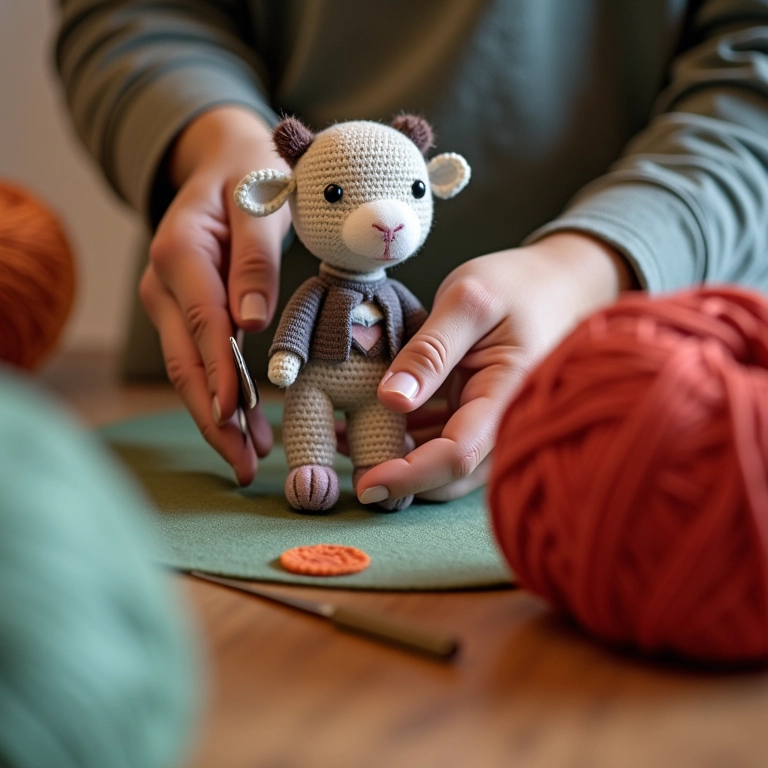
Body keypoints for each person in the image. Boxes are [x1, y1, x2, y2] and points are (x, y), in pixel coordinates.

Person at [55, 1, 768, 505]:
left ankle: (372, 470)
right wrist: (210, 134)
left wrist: (591, 267)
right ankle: (315, 472)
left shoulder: (400, 303)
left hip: (636, 389)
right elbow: (132, 10)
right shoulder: (306, 290)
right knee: (300, 419)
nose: (385, 221)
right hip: (226, 374)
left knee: (382, 422)